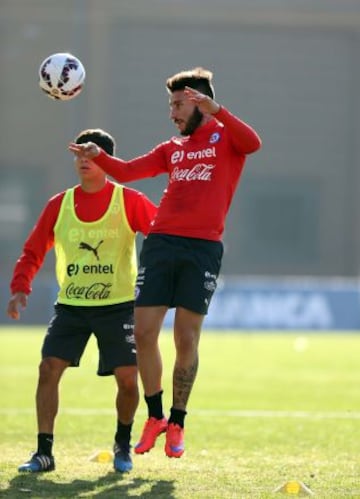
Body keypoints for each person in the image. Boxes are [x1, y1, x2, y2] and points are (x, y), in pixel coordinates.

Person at [69, 67, 262, 459]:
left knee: (186, 340)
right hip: (160, 245)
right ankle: (154, 415)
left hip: (203, 250)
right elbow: (126, 171)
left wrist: (218, 110)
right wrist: (99, 156)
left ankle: (177, 421)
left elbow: (254, 143)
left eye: (178, 104)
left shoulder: (227, 138)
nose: (172, 112)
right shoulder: (171, 148)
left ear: (198, 102)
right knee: (143, 334)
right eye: (170, 104)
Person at [7, 128, 157, 473]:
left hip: (118, 307)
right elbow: (32, 251)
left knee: (127, 380)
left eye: (91, 155)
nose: (83, 161)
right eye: (78, 155)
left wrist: (160, 283)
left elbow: (162, 235)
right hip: (71, 307)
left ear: (107, 161)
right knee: (48, 370)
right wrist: (20, 289)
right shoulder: (58, 205)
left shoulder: (129, 201)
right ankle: (44, 453)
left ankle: (122, 445)